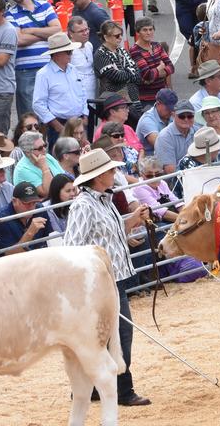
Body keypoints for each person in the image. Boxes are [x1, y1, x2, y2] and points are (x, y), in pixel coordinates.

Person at [62, 149, 153, 407]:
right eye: (111, 170)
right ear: (98, 175)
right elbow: (73, 246)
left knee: (103, 337)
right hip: (99, 284)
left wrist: (134, 220)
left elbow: (111, 236)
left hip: (116, 278)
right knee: (119, 335)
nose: (115, 173)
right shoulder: (82, 206)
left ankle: (89, 387)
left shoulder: (106, 200)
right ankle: (123, 390)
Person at [4, 0, 61, 117]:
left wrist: (31, 30)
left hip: (48, 65)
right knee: (29, 114)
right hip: (25, 70)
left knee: (51, 111)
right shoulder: (10, 14)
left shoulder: (45, 5)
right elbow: (19, 40)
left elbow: (57, 30)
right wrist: (44, 32)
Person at [32, 32, 87, 144]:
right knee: (61, 158)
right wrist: (57, 126)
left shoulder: (73, 69)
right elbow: (38, 104)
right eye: (68, 51)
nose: (71, 54)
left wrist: (85, 116)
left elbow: (82, 93)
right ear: (56, 54)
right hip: (60, 125)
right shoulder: (43, 74)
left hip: (78, 123)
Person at [0, 181, 55, 256]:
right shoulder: (1, 218)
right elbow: (8, 255)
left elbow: (50, 238)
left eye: (34, 203)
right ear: (14, 201)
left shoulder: (39, 209)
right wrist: (30, 233)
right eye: (27, 203)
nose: (31, 207)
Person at [154, 100, 197, 178]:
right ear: (173, 115)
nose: (186, 119)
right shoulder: (165, 137)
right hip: (175, 183)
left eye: (190, 116)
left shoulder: (198, 131)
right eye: (181, 116)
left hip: (196, 175)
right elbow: (170, 171)